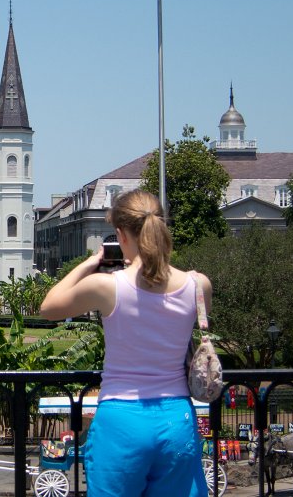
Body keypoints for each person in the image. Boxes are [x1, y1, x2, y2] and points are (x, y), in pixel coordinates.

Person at [39, 189, 210, 497]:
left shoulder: (107, 286)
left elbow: (49, 307)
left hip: (122, 421)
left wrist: (89, 263)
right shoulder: (198, 285)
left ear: (120, 234)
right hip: (177, 418)